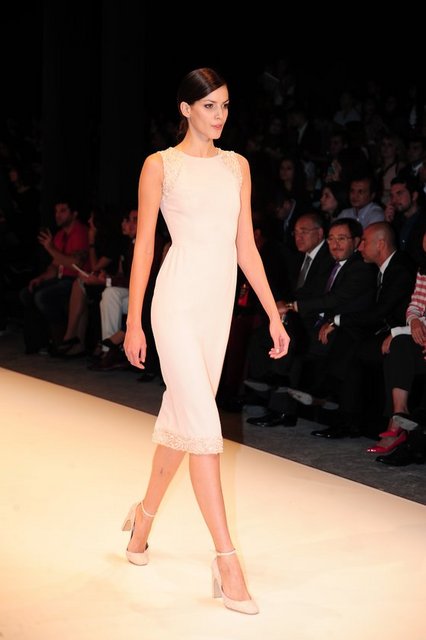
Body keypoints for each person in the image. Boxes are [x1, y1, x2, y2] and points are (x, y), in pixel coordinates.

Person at [122, 67, 290, 615]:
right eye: (209, 106)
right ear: (185, 109)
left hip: (216, 309)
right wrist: (134, 320)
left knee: (183, 419)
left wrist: (273, 314)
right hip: (174, 303)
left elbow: (246, 246)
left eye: (225, 105)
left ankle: (142, 518)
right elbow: (145, 245)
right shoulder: (160, 165)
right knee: (204, 427)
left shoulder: (237, 166)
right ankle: (226, 560)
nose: (220, 115)